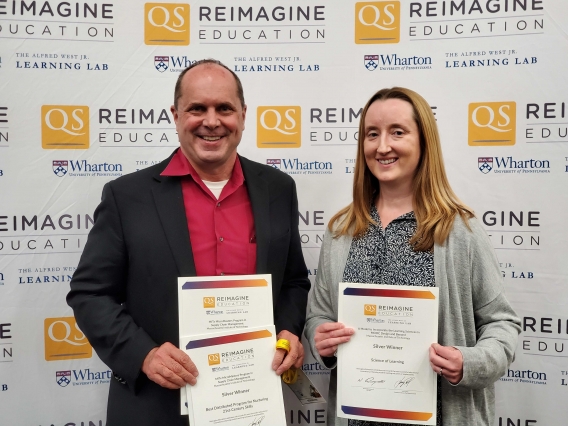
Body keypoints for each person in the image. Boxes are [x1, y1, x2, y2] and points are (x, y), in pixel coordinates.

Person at [67, 59, 310, 426]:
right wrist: (143, 355)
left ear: (243, 115)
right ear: (176, 115)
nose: (211, 121)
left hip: (252, 403)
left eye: (224, 108)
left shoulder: (278, 189)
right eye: (197, 108)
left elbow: (293, 280)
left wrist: (289, 329)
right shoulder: (126, 196)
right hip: (156, 407)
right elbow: (89, 293)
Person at [304, 87, 521, 426]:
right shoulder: (341, 231)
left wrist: (468, 362)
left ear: (424, 142)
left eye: (398, 132)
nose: (382, 146)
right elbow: (318, 315)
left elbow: (501, 323)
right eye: (372, 134)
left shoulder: (459, 230)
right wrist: (323, 339)